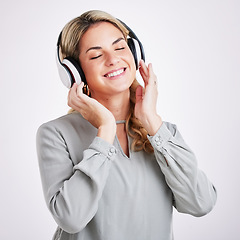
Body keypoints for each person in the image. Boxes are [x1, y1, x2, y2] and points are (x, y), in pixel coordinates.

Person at [36, 10, 217, 240]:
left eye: (120, 48)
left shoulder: (162, 133)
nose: (113, 60)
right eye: (95, 56)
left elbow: (201, 203)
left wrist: (152, 122)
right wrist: (105, 130)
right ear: (75, 73)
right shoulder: (55, 134)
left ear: (134, 53)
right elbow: (71, 217)